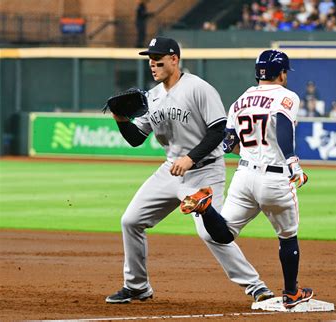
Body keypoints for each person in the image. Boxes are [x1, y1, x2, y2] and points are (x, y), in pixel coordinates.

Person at [106, 36, 273, 304]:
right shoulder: (153, 97)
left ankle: (256, 287)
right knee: (131, 221)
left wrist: (191, 159)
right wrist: (121, 120)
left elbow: (218, 130)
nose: (152, 63)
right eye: (149, 59)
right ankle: (137, 287)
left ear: (174, 59)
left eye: (157, 58)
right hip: (170, 170)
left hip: (204, 171)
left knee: (209, 232)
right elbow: (137, 138)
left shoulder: (199, 88)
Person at [180, 49, 314, 309]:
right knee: (288, 236)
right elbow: (284, 126)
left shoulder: (240, 100)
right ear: (282, 73)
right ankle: (291, 293)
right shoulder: (287, 96)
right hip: (274, 178)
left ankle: (206, 209)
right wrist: (292, 161)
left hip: (244, 175)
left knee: (225, 234)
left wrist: (252, 154)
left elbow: (228, 142)